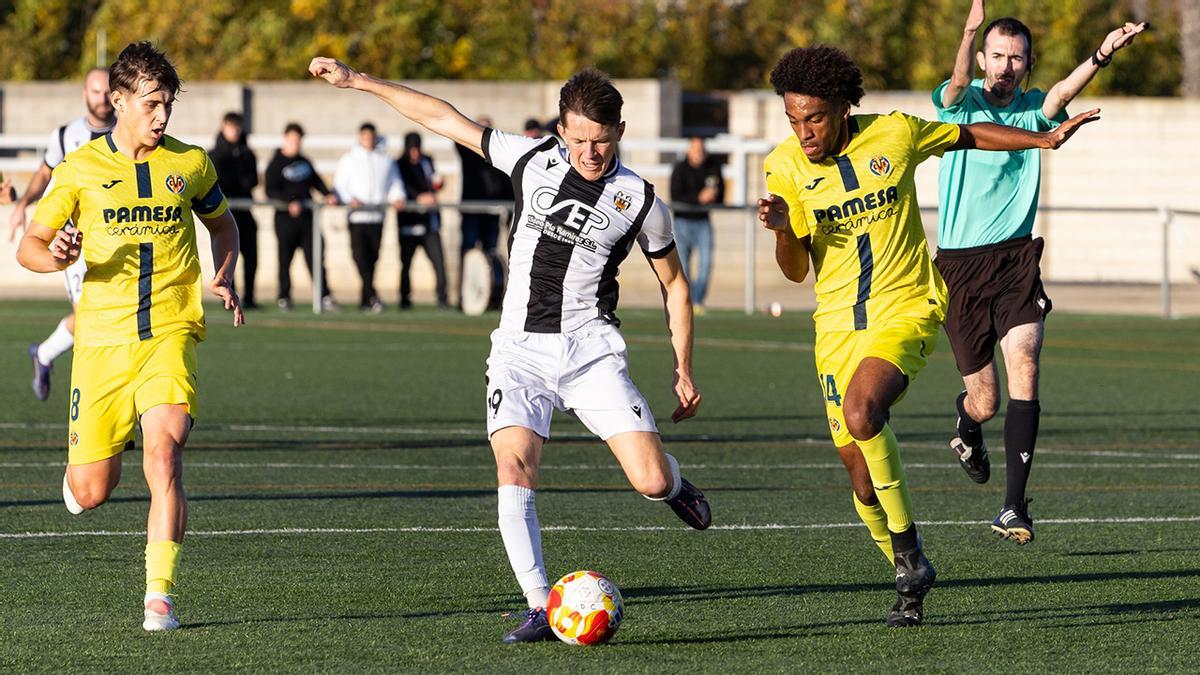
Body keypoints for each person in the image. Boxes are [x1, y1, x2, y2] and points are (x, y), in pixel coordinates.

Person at [310, 57, 710, 643]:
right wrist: (360, 82)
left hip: (591, 353)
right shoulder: (530, 158)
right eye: (577, 140)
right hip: (519, 351)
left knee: (648, 480)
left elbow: (674, 284)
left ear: (619, 134)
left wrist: (683, 366)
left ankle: (676, 487)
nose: (589, 154)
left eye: (600, 142)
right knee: (513, 466)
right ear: (560, 130)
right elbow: (445, 118)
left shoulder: (640, 201)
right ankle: (539, 605)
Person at [759, 45, 1096, 627]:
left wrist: (1042, 141)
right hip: (835, 325)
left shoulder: (895, 134)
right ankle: (907, 569)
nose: (804, 131)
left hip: (907, 306)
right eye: (793, 119)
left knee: (865, 411)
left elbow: (974, 135)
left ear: (843, 107)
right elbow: (793, 269)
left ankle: (910, 554)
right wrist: (786, 229)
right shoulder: (783, 165)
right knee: (860, 478)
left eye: (813, 117)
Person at [16, 41, 244, 631]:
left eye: (167, 103)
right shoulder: (79, 170)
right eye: (151, 103)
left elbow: (224, 224)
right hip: (99, 346)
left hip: (169, 333)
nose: (162, 116)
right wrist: (56, 253)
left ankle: (159, 597)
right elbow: (28, 247)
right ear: (117, 101)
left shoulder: (191, 164)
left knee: (165, 455)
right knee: (92, 491)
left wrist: (224, 271)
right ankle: (91, 458)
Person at [934, 1, 1147, 545]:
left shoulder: (1033, 109)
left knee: (1025, 362)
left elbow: (1058, 98)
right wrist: (968, 30)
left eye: (1017, 58)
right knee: (985, 401)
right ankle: (966, 425)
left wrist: (1101, 54)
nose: (1006, 65)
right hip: (959, 269)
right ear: (984, 58)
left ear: (1028, 65)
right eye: (998, 55)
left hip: (1015, 260)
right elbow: (955, 83)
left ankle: (1012, 506)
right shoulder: (959, 106)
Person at [7, 68, 114, 401]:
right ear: (85, 94)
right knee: (88, 316)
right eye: (96, 92)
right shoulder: (66, 136)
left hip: (117, 239)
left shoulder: (128, 134)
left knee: (112, 316)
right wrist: (23, 202)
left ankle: (44, 353)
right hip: (76, 242)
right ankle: (97, 396)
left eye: (108, 92)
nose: (103, 99)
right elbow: (45, 173)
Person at [264, 122, 338, 311]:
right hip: (285, 221)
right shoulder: (276, 163)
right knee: (285, 260)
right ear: (285, 139)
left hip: (307, 220)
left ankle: (324, 296)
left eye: (298, 140)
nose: (295, 144)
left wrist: (328, 194)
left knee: (316, 257)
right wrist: (289, 202)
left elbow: (317, 182)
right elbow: (270, 189)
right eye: (292, 140)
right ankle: (284, 297)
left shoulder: (305, 161)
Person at [333, 123, 406, 312]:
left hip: (377, 216)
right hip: (357, 217)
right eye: (365, 136)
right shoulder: (349, 159)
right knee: (359, 257)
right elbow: (340, 185)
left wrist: (397, 197)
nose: (368, 140)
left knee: (373, 258)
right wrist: (350, 199)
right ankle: (372, 296)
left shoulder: (385, 160)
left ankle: (366, 300)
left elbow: (394, 183)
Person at [455, 116, 512, 309]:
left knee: (491, 255)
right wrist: (475, 129)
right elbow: (458, 136)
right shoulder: (468, 151)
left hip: (492, 212)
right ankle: (463, 297)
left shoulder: (498, 155)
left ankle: (490, 296)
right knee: (468, 253)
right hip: (472, 210)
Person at [210, 111, 260, 309]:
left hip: (246, 212)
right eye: (232, 128)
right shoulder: (215, 155)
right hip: (226, 212)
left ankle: (250, 297)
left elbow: (252, 181)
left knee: (252, 255)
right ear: (224, 127)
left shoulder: (247, 154)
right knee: (229, 257)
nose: (235, 132)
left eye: (238, 128)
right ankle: (230, 294)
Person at [669, 137, 724, 312]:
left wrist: (713, 197)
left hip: (703, 222)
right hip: (682, 222)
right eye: (695, 149)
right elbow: (675, 196)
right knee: (683, 266)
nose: (699, 153)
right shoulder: (679, 169)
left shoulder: (713, 167)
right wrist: (698, 198)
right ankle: (686, 301)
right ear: (688, 151)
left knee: (706, 263)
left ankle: (697, 301)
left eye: (701, 150)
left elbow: (721, 193)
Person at [396, 132, 449, 309]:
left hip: (429, 224)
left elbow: (434, 181)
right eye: (412, 149)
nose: (415, 153)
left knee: (439, 262)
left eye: (417, 149)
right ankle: (405, 299)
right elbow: (400, 187)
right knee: (406, 264)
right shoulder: (399, 165)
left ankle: (442, 299)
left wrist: (439, 185)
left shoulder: (427, 161)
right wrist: (418, 197)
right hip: (408, 224)